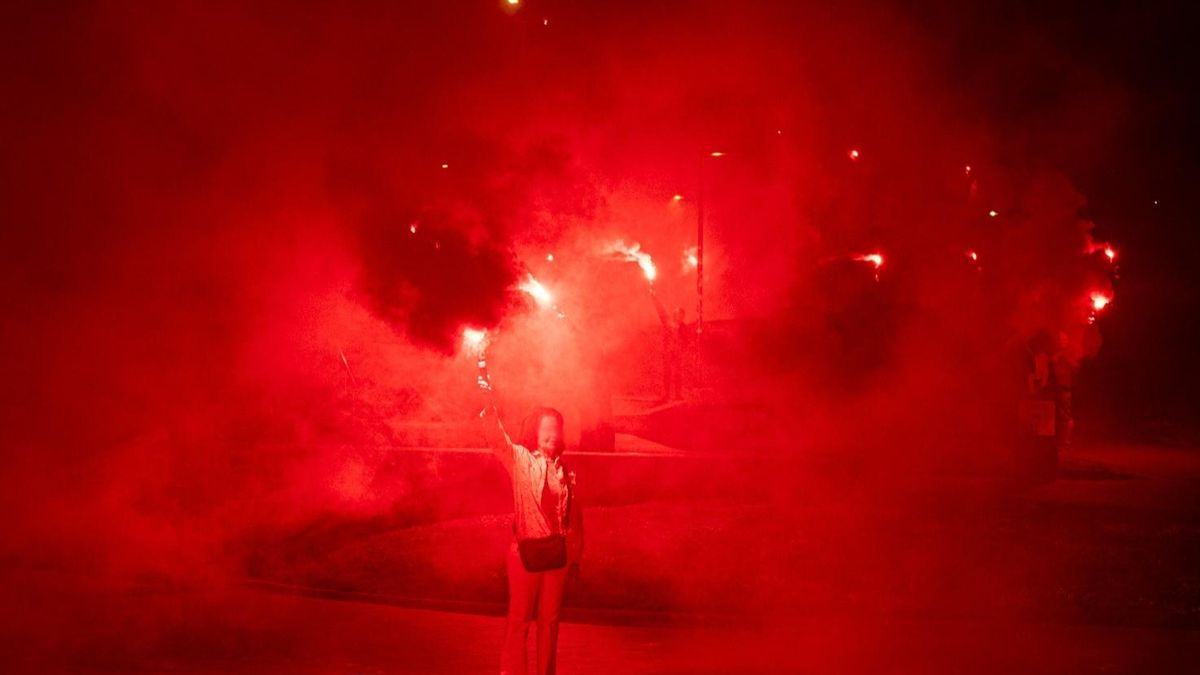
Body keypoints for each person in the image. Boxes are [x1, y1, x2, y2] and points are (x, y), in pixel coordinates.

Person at [479, 375, 583, 675]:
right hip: (525, 552)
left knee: (550, 622)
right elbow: (496, 438)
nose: (552, 434)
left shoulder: (565, 470)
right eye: (546, 428)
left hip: (556, 555)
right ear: (535, 432)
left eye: (556, 428)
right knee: (520, 620)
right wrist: (488, 402)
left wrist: (575, 556)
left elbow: (574, 518)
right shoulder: (520, 459)